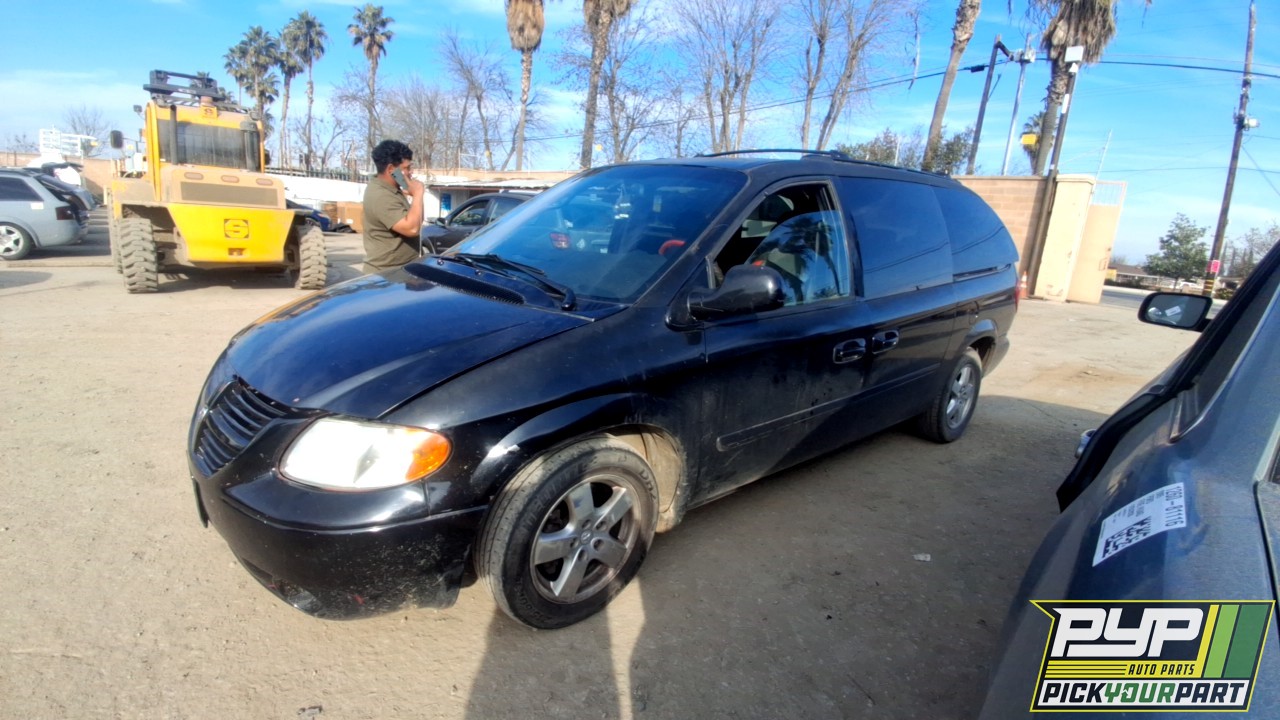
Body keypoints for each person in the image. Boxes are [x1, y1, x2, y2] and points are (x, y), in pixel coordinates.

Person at [361, 139, 425, 274]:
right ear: (391, 169)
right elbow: (412, 229)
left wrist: (415, 197)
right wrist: (418, 194)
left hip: (399, 272)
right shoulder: (381, 195)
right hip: (386, 276)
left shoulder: (392, 190)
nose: (410, 173)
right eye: (406, 168)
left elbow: (417, 221)